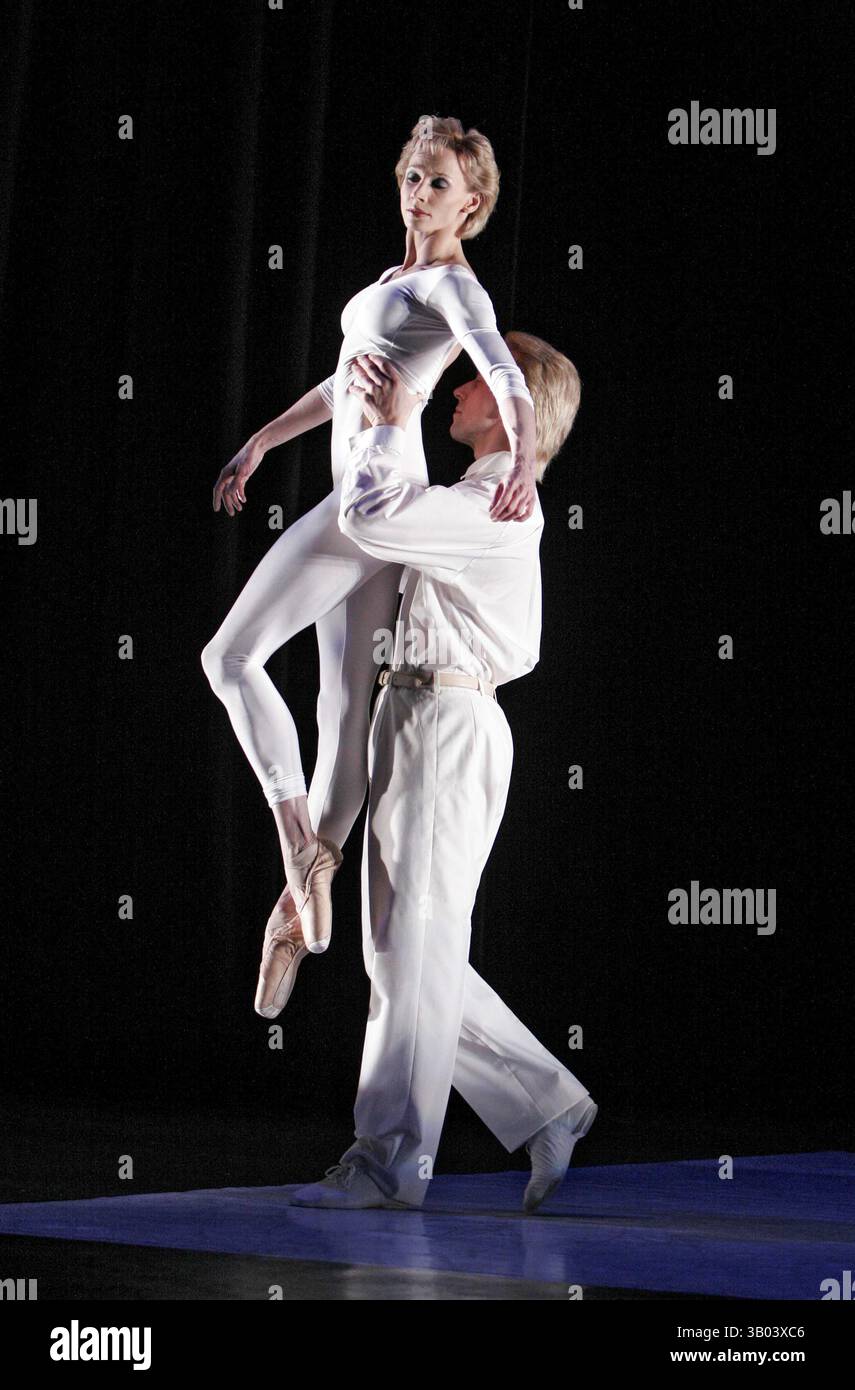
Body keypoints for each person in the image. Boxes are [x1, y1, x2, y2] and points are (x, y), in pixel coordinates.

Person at [201, 115, 537, 964]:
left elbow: (501, 370)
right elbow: (341, 377)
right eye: (412, 175)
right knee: (343, 710)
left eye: (438, 184)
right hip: (374, 505)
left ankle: (294, 840)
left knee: (229, 660)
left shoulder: (455, 287)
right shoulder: (397, 280)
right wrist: (263, 441)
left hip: (377, 504)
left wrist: (525, 456)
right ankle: (310, 879)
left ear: (471, 204)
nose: (418, 192)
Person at [286, 333, 598, 1214]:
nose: (458, 386)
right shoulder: (477, 491)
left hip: (446, 720)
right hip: (417, 712)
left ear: (509, 405)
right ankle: (547, 1105)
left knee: (407, 946)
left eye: (476, 377)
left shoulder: (501, 500)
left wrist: (389, 424)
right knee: (408, 950)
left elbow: (375, 518)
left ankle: (389, 1163)